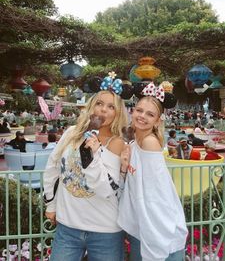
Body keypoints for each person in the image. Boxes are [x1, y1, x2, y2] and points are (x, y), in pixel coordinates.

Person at [43, 78, 128, 261]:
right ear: (91, 107)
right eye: (99, 103)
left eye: (111, 107)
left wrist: (93, 155)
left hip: (105, 231)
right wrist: (51, 204)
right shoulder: (72, 132)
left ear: (117, 114)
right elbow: (53, 167)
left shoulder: (117, 143)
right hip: (68, 227)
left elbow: (106, 190)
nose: (103, 109)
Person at [118, 82, 188, 261]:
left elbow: (155, 195)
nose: (142, 116)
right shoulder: (134, 144)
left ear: (158, 120)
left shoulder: (150, 143)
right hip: (142, 230)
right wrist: (124, 169)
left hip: (157, 233)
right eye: (139, 110)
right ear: (132, 111)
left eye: (150, 114)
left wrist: (155, 239)